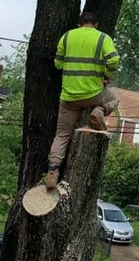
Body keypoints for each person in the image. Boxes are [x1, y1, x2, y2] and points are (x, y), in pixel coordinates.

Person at [44, 10, 120, 190]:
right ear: (96, 25)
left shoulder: (67, 37)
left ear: (79, 25)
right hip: (94, 95)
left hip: (69, 97)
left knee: (62, 135)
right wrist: (105, 74)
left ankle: (52, 171)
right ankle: (99, 111)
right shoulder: (103, 38)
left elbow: (58, 64)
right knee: (114, 98)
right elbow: (114, 59)